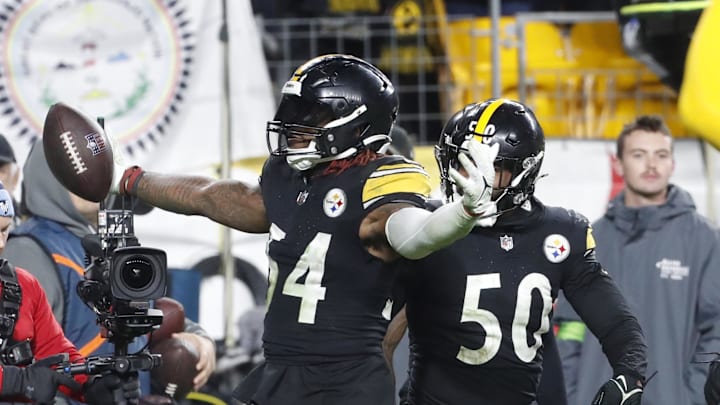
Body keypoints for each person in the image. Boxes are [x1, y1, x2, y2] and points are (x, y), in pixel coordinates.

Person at [112, 53, 498, 405]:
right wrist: (130, 179)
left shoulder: (383, 179)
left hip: (344, 381)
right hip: (281, 370)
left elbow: (409, 233)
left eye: (311, 115)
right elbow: (209, 195)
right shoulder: (289, 177)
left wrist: (463, 213)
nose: (293, 126)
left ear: (355, 122)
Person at [383, 99, 648, 405]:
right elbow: (370, 329)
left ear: (524, 171)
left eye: (491, 168)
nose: (474, 179)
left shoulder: (559, 234)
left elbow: (616, 322)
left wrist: (630, 375)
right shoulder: (426, 226)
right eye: (463, 163)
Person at [5, 141, 217, 402]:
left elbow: (145, 313)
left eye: (101, 170)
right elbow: (21, 376)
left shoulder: (108, 246)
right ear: (50, 174)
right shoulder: (29, 251)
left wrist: (199, 340)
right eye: (80, 171)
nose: (93, 180)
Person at [554, 115, 720, 405]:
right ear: (618, 164)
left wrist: (693, 396)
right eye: (639, 155)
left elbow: (716, 330)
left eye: (661, 155)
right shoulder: (591, 239)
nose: (651, 165)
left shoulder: (705, 240)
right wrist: (571, 394)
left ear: (672, 164)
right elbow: (571, 328)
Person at [0, 181, 139, 404]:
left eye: (4, 230)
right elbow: (24, 380)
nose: (0, 242)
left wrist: (91, 385)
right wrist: (17, 381)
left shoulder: (24, 285)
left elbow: (55, 349)